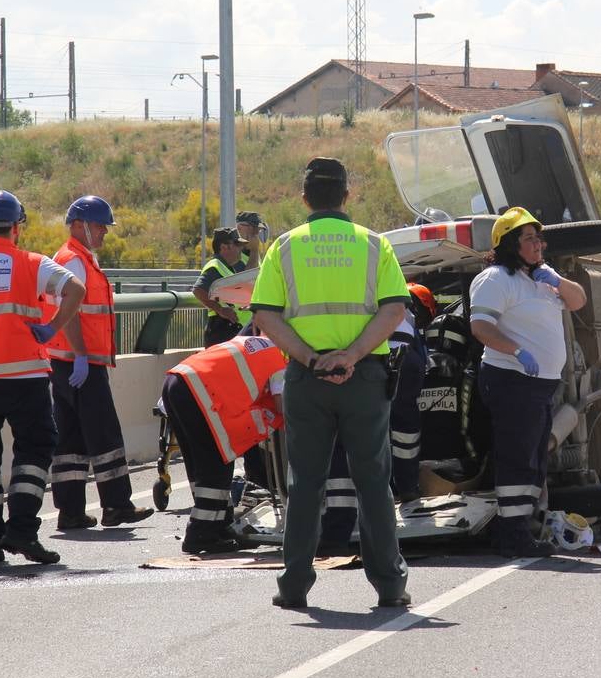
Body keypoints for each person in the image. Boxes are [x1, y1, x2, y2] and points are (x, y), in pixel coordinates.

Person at [249, 156, 410, 609]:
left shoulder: (283, 247)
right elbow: (394, 310)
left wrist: (312, 358)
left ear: (304, 199)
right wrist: (353, 355)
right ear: (347, 195)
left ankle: (294, 586)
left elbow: (265, 314)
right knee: (374, 481)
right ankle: (390, 587)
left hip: (307, 379)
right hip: (365, 378)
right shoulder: (374, 245)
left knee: (305, 485)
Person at [0, 191, 84, 566]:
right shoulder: (32, 262)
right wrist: (51, 329)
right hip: (26, 375)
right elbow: (75, 289)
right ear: (17, 228)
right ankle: (22, 531)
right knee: (34, 452)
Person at [468, 207, 587, 557]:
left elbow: (578, 300)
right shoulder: (496, 279)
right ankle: (512, 532)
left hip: (538, 386)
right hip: (511, 379)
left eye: (539, 237)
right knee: (517, 457)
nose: (539, 244)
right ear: (509, 244)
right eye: (530, 239)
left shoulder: (539, 277)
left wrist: (556, 280)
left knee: (533, 457)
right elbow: (481, 327)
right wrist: (517, 351)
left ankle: (521, 526)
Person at [41, 195, 153, 530]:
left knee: (71, 439)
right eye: (99, 225)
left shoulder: (75, 258)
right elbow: (70, 311)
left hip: (66, 361)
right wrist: (80, 355)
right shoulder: (74, 261)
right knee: (103, 432)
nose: (104, 231)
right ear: (79, 225)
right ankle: (116, 505)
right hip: (79, 362)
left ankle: (71, 510)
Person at [160, 333, 285, 554]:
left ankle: (219, 525)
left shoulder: (257, 342)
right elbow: (283, 404)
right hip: (200, 393)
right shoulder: (280, 360)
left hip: (177, 381)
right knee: (216, 462)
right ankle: (200, 534)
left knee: (199, 463)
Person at [389, 283, 436, 502]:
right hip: (405, 359)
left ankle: (386, 487)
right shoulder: (406, 313)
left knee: (374, 427)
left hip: (374, 357)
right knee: (405, 426)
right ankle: (407, 486)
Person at [193, 227, 250, 347]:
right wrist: (221, 310)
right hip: (221, 329)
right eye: (237, 244)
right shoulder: (215, 266)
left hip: (227, 329)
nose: (241, 248)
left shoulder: (227, 267)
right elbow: (198, 290)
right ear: (224, 247)